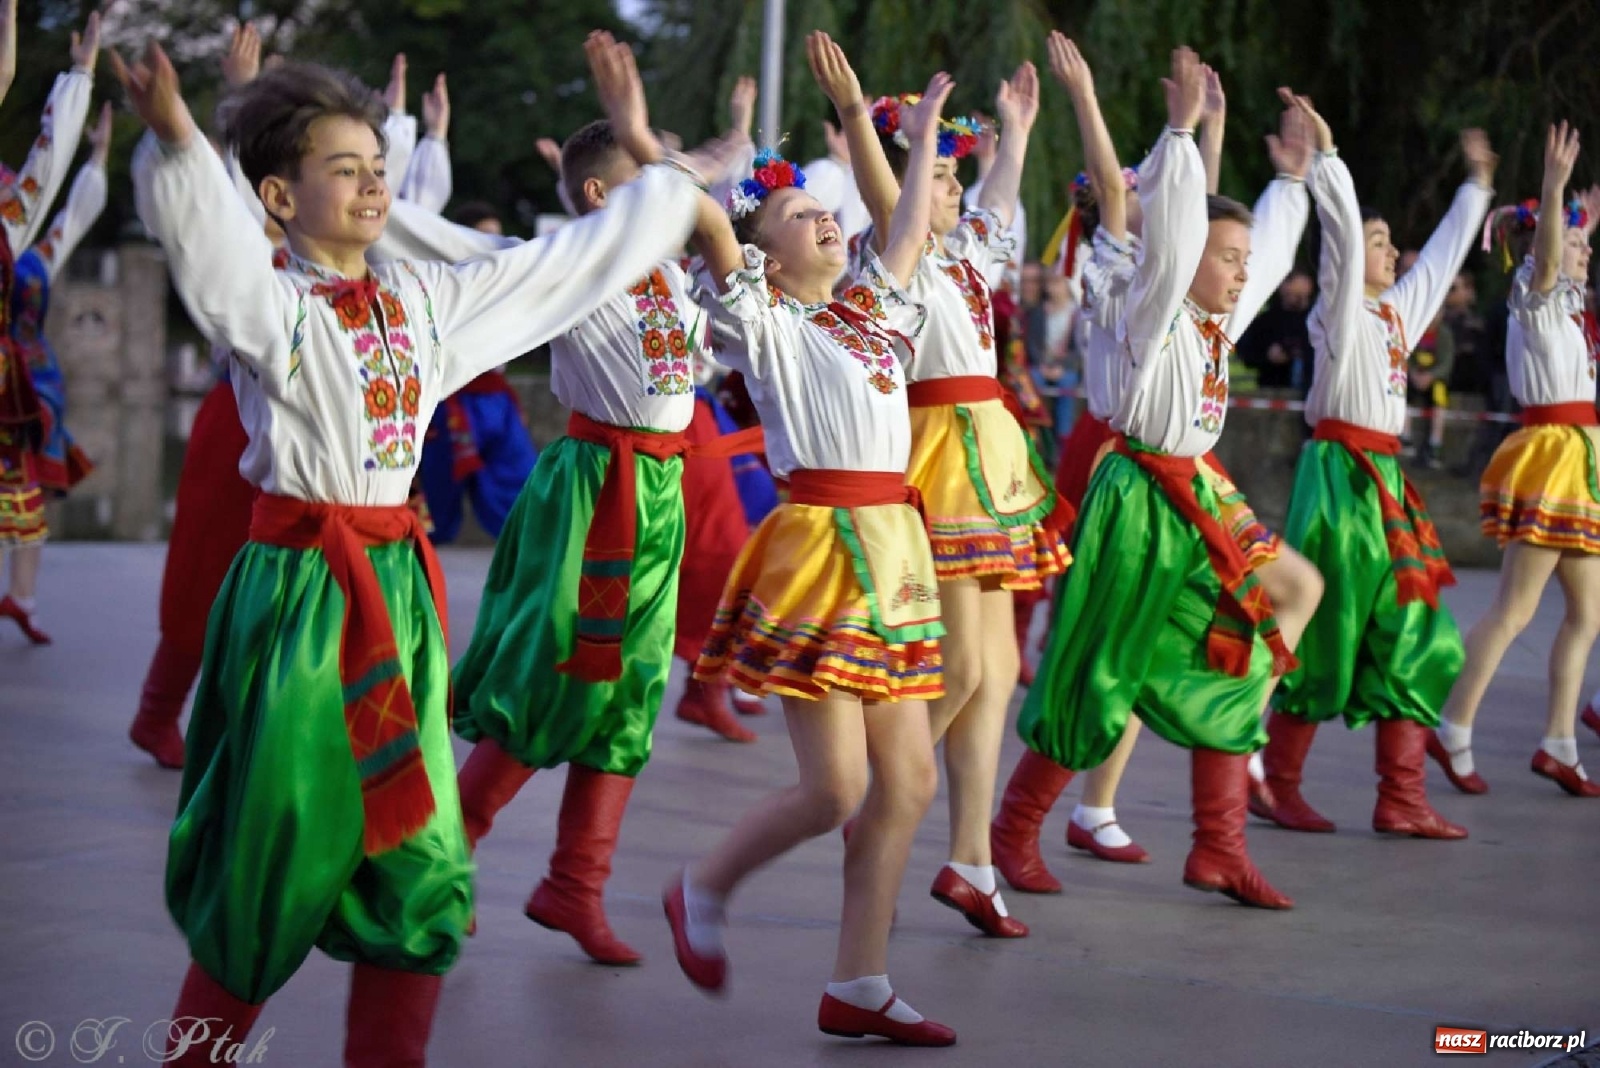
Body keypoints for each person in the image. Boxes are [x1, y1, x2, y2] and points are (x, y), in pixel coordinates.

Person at [113, 34, 737, 1063]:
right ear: (278, 197)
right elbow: (212, 259)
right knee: (274, 857)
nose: (372, 184)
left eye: (377, 166)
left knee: (422, 871)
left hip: (397, 592)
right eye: (344, 169)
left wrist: (666, 176)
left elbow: (562, 265)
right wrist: (181, 138)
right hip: (302, 600)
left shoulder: (422, 303)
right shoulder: (274, 308)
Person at [666, 60, 958, 1044]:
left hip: (896, 550)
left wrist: (883, 120)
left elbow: (906, 224)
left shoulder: (874, 312)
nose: (825, 218)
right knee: (836, 787)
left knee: (909, 781)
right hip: (821, 548)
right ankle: (703, 887)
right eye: (797, 215)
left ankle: (859, 982)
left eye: (823, 210)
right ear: (766, 259)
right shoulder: (765, 322)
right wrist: (688, 171)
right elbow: (717, 236)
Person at [817, 31, 1068, 938]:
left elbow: (997, 203)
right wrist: (863, 117)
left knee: (994, 672)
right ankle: (880, 816)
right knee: (961, 666)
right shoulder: (900, 248)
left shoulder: (966, 256)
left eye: (957, 177)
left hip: (991, 454)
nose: (953, 190)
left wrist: (1019, 131)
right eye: (938, 177)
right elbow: (895, 198)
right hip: (943, 455)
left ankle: (971, 860)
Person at [1259, 93, 1497, 840]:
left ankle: (1401, 795)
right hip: (1338, 480)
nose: (1393, 252)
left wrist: (1477, 187)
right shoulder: (1337, 313)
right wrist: (1327, 158)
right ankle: (1279, 782)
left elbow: (1447, 254)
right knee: (1327, 627)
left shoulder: (1397, 314)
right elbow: (1338, 234)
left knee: (1416, 626)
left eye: (1394, 241)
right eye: (1380, 240)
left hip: (1387, 483)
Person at [1429, 124, 1600, 798]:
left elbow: (1564, 255)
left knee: (1587, 613)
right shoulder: (1536, 292)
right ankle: (1453, 727)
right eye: (1578, 245)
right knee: (1514, 610)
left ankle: (1558, 742)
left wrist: (1580, 218)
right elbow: (1550, 258)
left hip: (1579, 459)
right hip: (1554, 458)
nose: (1586, 253)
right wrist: (1554, 192)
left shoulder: (1565, 307)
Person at [0, 9, 95, 644]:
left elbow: (48, 178)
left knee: (22, 487)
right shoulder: (27, 243)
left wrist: (79, 81)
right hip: (25, 379)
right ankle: (24, 596)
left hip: (21, 383)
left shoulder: (15, 234)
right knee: (23, 489)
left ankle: (24, 596)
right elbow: (58, 193)